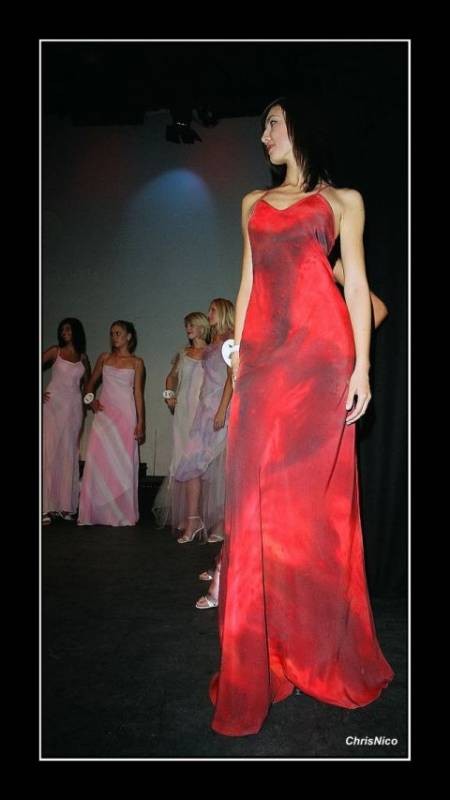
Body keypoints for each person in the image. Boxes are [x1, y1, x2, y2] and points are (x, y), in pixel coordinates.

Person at [210, 96, 394, 736]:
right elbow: (246, 286)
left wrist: (362, 369)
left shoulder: (344, 201)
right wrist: (237, 368)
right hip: (264, 364)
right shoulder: (252, 204)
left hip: (321, 362)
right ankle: (258, 657)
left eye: (271, 122)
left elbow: (356, 287)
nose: (262, 135)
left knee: (315, 513)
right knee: (253, 505)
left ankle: (315, 649)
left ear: (300, 126)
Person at [174, 299, 234, 543]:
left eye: (213, 310)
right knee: (191, 462)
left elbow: (232, 377)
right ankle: (193, 521)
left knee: (221, 468)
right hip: (204, 410)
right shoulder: (212, 342)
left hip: (222, 409)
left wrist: (221, 410)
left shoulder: (231, 340)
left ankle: (222, 522)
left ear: (223, 312)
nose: (209, 313)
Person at [77, 320, 145, 527]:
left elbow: (138, 394)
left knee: (122, 463)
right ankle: (94, 512)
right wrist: (91, 401)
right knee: (98, 461)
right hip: (105, 416)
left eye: (118, 333)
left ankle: (121, 513)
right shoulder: (104, 358)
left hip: (125, 416)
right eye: (112, 333)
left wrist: (141, 422)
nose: (114, 337)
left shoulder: (137, 362)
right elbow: (89, 385)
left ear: (128, 336)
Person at [152, 312, 210, 528]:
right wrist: (169, 396)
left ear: (202, 327)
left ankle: (199, 514)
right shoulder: (183, 353)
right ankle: (185, 515)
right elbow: (171, 377)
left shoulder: (212, 353)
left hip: (202, 412)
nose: (188, 328)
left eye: (192, 325)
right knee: (181, 458)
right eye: (187, 325)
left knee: (199, 461)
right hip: (183, 412)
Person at [42, 318, 90, 525]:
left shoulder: (83, 357)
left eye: (68, 329)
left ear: (76, 331)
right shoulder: (55, 351)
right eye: (62, 329)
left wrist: (87, 403)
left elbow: (88, 385)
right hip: (53, 406)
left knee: (69, 454)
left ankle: (65, 506)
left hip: (74, 408)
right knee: (50, 452)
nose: (64, 332)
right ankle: (45, 507)